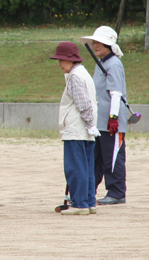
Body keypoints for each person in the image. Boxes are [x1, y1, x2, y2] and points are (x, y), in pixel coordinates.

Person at [50, 42, 100, 215]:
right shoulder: (84, 73)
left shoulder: (75, 77)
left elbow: (83, 104)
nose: (59, 63)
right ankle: (88, 201)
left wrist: (89, 123)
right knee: (86, 167)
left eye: (62, 59)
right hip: (86, 130)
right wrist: (91, 125)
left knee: (75, 168)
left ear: (71, 60)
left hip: (77, 129)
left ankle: (79, 204)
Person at [80, 26, 127, 205]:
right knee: (97, 158)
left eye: (100, 42)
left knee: (112, 157)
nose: (95, 45)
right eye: (94, 42)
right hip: (99, 121)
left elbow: (116, 93)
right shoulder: (101, 63)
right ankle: (88, 191)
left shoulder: (114, 64)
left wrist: (113, 117)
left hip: (110, 122)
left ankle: (116, 192)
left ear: (109, 44)